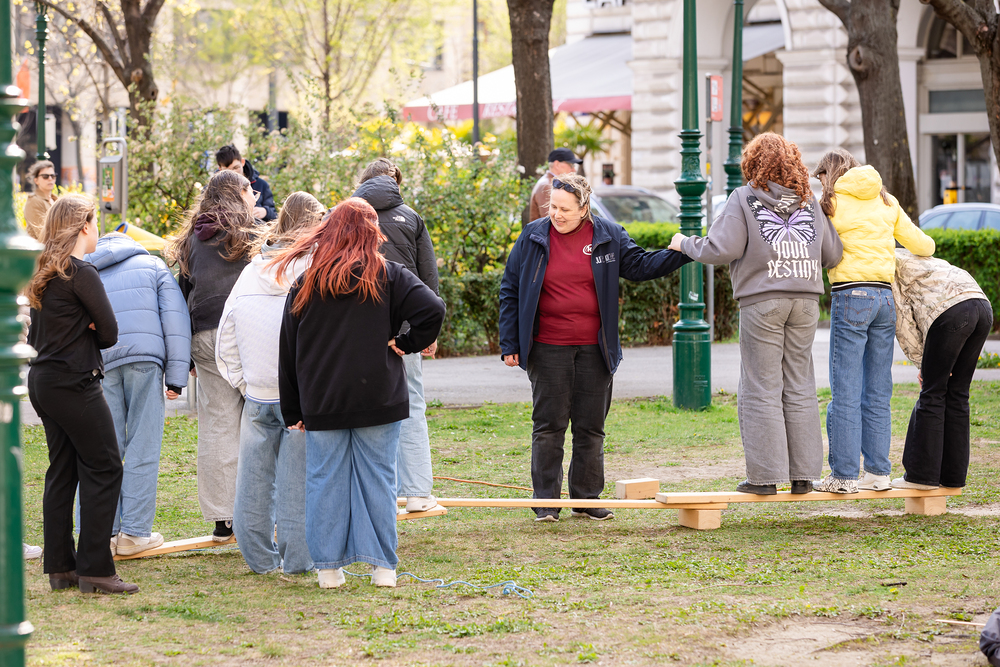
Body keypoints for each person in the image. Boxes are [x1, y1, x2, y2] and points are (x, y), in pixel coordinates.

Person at [276, 198, 445, 589]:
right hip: (378, 399)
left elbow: (288, 350)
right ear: (372, 232)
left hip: (323, 401)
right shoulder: (389, 275)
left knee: (324, 481)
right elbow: (433, 309)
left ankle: (328, 570)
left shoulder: (306, 283)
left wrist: (292, 409)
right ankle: (382, 568)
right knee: (379, 481)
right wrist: (407, 343)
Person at [501, 173, 690, 522]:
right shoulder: (533, 235)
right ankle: (546, 503)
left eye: (565, 209)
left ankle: (586, 499)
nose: (556, 214)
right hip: (547, 346)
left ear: (584, 208)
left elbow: (640, 266)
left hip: (596, 348)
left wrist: (681, 253)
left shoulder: (608, 235)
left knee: (590, 427)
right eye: (553, 207)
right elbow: (510, 288)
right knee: (549, 426)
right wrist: (510, 342)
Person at [668, 132, 843, 495]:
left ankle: (764, 479)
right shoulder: (808, 201)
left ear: (752, 164)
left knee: (761, 387)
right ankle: (803, 476)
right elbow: (832, 254)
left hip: (763, 301)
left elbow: (722, 247)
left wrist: (684, 243)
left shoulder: (744, 198)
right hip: (806, 301)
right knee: (800, 384)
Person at [25, 194, 138, 594]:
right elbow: (109, 332)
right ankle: (95, 569)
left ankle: (61, 568)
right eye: (95, 222)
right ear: (83, 226)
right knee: (105, 467)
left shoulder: (43, 273)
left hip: (43, 381)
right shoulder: (81, 272)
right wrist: (88, 325)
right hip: (75, 382)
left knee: (63, 469)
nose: (97, 230)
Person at [812, 149, 934, 494]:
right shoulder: (886, 201)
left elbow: (818, 249)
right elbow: (924, 246)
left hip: (851, 295)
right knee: (878, 390)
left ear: (830, 173)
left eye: (821, 177)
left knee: (846, 390)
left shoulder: (831, 202)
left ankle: (844, 476)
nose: (821, 183)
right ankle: (878, 473)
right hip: (884, 298)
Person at [216, 192, 324, 575]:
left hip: (258, 391)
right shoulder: (316, 271)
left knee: (253, 481)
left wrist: (244, 382)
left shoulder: (250, 271)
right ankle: (298, 561)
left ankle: (260, 559)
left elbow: (225, 336)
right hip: (300, 393)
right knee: (297, 483)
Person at [84, 232, 191, 557]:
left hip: (102, 362)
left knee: (103, 451)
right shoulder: (153, 265)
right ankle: (133, 533)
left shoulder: (88, 269)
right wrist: (176, 378)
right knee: (143, 446)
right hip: (145, 360)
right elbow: (175, 320)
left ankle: (102, 533)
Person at [168, 169, 258, 540]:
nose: (254, 194)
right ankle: (258, 510)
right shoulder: (249, 233)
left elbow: (182, 294)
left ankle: (224, 519)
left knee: (218, 421)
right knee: (259, 417)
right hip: (244, 330)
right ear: (238, 193)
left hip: (203, 332)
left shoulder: (192, 238)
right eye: (249, 188)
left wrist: (185, 355)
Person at [353, 158, 441, 514]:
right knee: (412, 404)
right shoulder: (412, 217)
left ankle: (376, 494)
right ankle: (417, 492)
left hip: (356, 333)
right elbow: (428, 277)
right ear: (395, 183)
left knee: (363, 411)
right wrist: (428, 331)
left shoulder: (343, 216)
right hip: (405, 329)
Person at [890, 249, 992, 490]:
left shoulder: (888, 266)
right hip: (981, 306)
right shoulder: (916, 255)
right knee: (958, 393)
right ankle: (953, 478)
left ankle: (921, 477)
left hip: (950, 310)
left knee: (932, 392)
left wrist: (922, 363)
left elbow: (903, 321)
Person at [216, 145, 277, 222]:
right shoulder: (212, 189)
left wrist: (266, 212)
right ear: (220, 169)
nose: (233, 173)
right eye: (228, 171)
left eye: (236, 167)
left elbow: (275, 216)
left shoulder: (261, 185)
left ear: (242, 162)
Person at [529, 148, 582, 221]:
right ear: (557, 164)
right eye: (571, 165)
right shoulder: (547, 186)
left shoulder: (550, 183)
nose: (574, 170)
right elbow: (552, 221)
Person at [23, 160, 57, 240]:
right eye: (45, 176)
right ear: (36, 180)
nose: (50, 179)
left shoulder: (56, 199)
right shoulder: (33, 201)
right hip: (41, 247)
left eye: (53, 176)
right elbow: (43, 234)